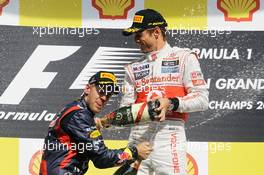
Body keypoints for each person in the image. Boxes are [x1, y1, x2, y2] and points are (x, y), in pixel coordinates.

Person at [120, 9, 209, 175]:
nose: (136, 40)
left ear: (156, 32)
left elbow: (202, 99)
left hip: (170, 135)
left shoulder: (184, 57)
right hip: (138, 138)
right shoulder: (132, 68)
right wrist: (107, 122)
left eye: (139, 34)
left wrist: (171, 103)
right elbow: (126, 108)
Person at [39, 71, 153, 175]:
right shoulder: (79, 115)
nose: (104, 98)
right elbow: (102, 159)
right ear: (87, 89)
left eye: (108, 95)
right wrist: (135, 151)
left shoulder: (76, 110)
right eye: (101, 91)